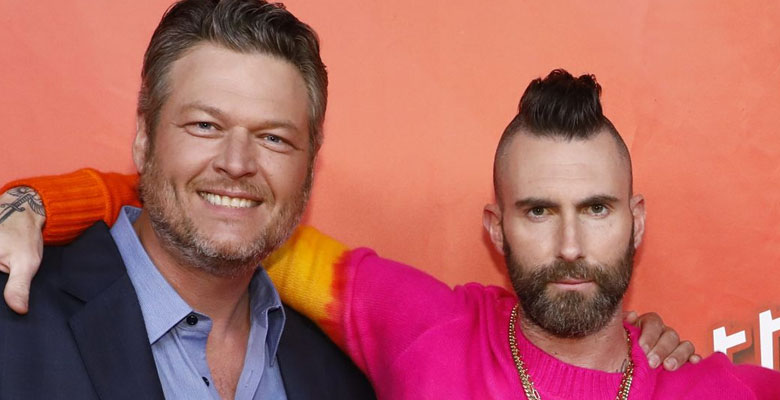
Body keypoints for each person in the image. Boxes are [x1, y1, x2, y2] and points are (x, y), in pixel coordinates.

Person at [4, 67, 759, 397]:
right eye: (537, 210)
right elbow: (219, 210)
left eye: (596, 209)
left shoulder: (720, 389)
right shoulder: (421, 323)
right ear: (495, 230)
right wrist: (40, 201)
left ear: (636, 223)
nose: (569, 246)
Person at [0, 0, 377, 398]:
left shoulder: (342, 378)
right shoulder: (13, 325)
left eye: (273, 138)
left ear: (310, 167)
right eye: (205, 125)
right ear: (144, 139)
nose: (237, 164)